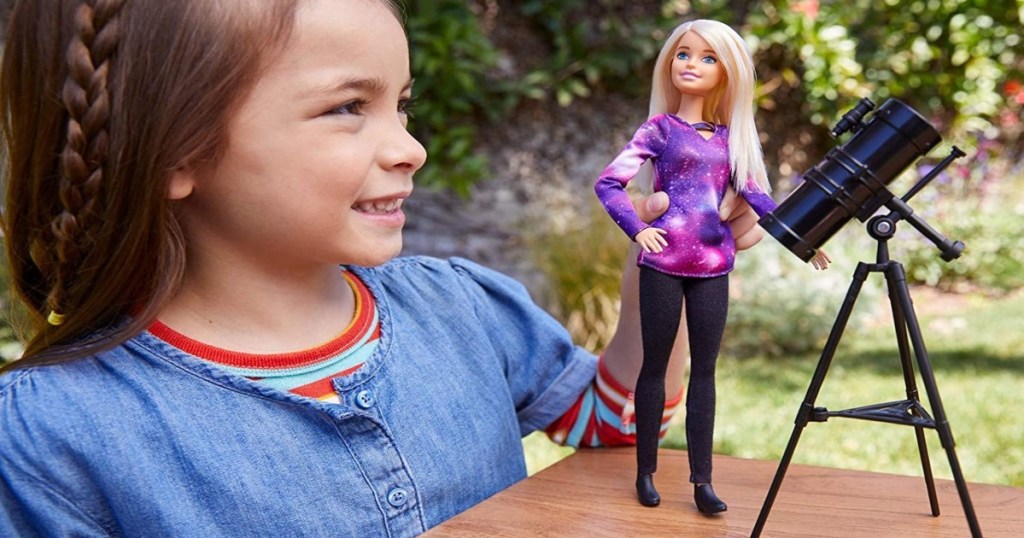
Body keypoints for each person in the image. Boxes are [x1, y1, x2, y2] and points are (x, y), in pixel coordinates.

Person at [0, 1, 760, 535]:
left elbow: (616, 427)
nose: (409, 147)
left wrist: (658, 282)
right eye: (346, 107)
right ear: (175, 151)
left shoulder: (458, 306)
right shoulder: (49, 439)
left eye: (401, 103)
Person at [594, 19, 830, 514]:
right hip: (661, 261)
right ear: (669, 62)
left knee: (706, 371)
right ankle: (646, 473)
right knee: (654, 367)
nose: (691, 64)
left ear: (727, 73)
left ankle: (702, 482)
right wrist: (637, 229)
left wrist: (804, 242)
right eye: (683, 54)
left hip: (713, 264)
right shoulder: (659, 129)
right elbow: (609, 185)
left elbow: (758, 199)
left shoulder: (730, 140)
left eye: (707, 57)